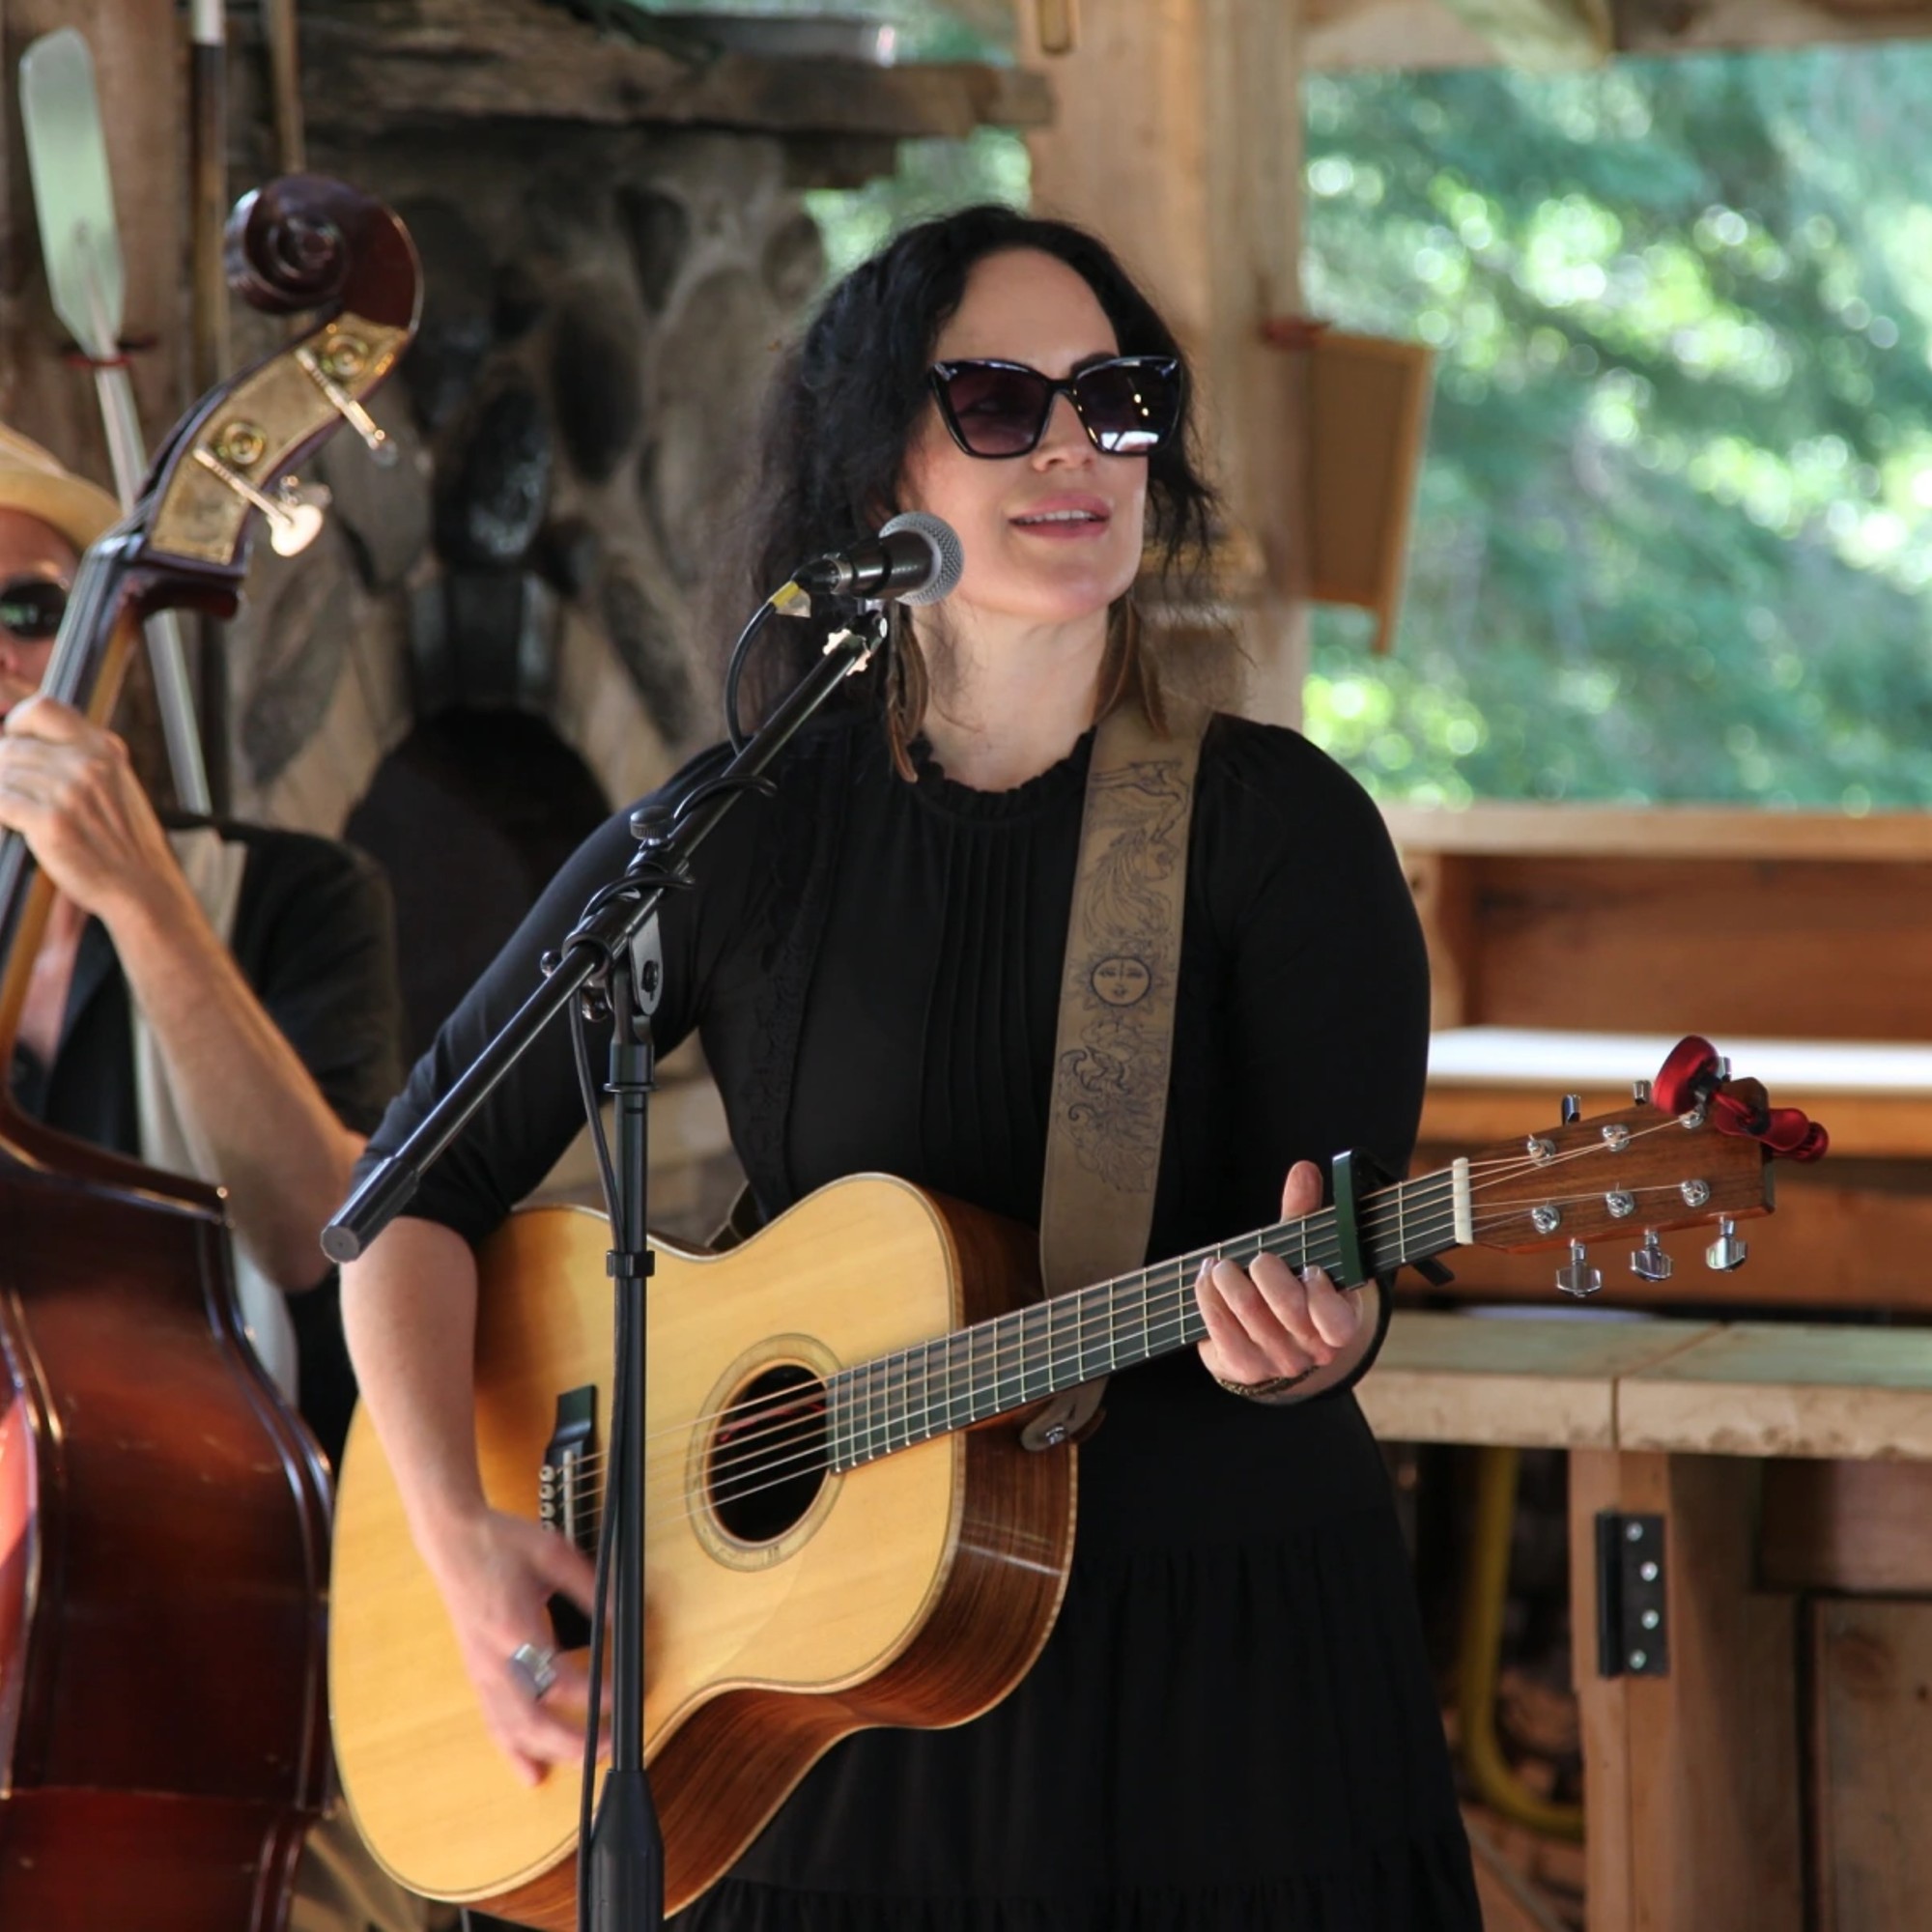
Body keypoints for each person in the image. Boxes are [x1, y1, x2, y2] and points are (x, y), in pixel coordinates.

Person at [341, 205, 1481, 1929]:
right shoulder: (737, 831)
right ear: (879, 464)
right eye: (1003, 402)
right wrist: (461, 1538)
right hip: (821, 1722)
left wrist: (1312, 1339)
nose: (1078, 447)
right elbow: (405, 1204)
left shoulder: (1280, 833)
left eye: (1118, 398)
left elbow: (1335, 1266)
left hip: (1209, 1706)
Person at [0, 425, 429, 1932]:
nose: (3, 659)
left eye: (26, 610)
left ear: (104, 642)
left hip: (267, 1642)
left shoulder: (293, 896)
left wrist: (139, 899)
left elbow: (331, 1232)